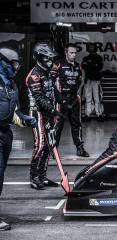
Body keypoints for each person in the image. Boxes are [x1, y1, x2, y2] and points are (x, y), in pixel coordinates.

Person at [0, 48, 36, 230]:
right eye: (14, 64)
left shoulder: (12, 85)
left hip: (6, 134)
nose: (16, 67)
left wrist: (25, 120)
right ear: (3, 62)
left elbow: (13, 113)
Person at [26, 43, 62, 190]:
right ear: (40, 58)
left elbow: (53, 89)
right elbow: (39, 99)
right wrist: (54, 111)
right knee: (40, 144)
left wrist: (63, 102)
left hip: (50, 112)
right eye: (47, 59)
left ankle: (42, 175)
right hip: (38, 113)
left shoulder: (48, 72)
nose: (50, 62)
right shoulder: (34, 75)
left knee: (49, 145)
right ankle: (33, 177)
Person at [51, 43, 89, 157]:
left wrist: (79, 92)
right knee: (58, 125)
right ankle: (54, 150)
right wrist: (59, 99)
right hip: (61, 99)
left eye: (75, 53)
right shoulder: (58, 64)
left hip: (74, 99)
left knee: (77, 124)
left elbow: (81, 80)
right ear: (66, 52)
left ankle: (80, 148)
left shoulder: (78, 66)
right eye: (71, 52)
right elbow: (51, 83)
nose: (73, 55)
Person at [81, 44, 104, 121]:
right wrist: (93, 66)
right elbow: (83, 67)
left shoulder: (99, 58)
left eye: (92, 47)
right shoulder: (86, 58)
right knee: (88, 98)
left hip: (96, 80)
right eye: (90, 47)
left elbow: (99, 67)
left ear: (95, 48)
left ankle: (99, 114)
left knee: (97, 98)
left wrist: (90, 66)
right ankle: (87, 114)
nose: (91, 49)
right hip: (88, 80)